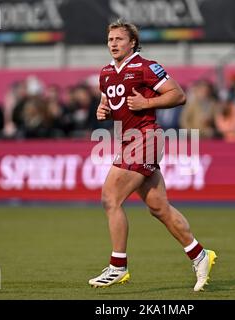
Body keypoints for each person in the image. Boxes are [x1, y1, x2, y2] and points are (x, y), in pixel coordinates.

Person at [88, 20, 217, 292]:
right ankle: (200, 255)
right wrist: (105, 112)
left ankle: (118, 266)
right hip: (127, 141)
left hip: (145, 138)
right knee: (159, 207)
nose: (113, 43)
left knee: (110, 198)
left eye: (119, 39)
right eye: (110, 39)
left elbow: (179, 94)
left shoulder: (145, 67)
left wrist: (147, 102)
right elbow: (110, 103)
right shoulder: (106, 73)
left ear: (132, 42)